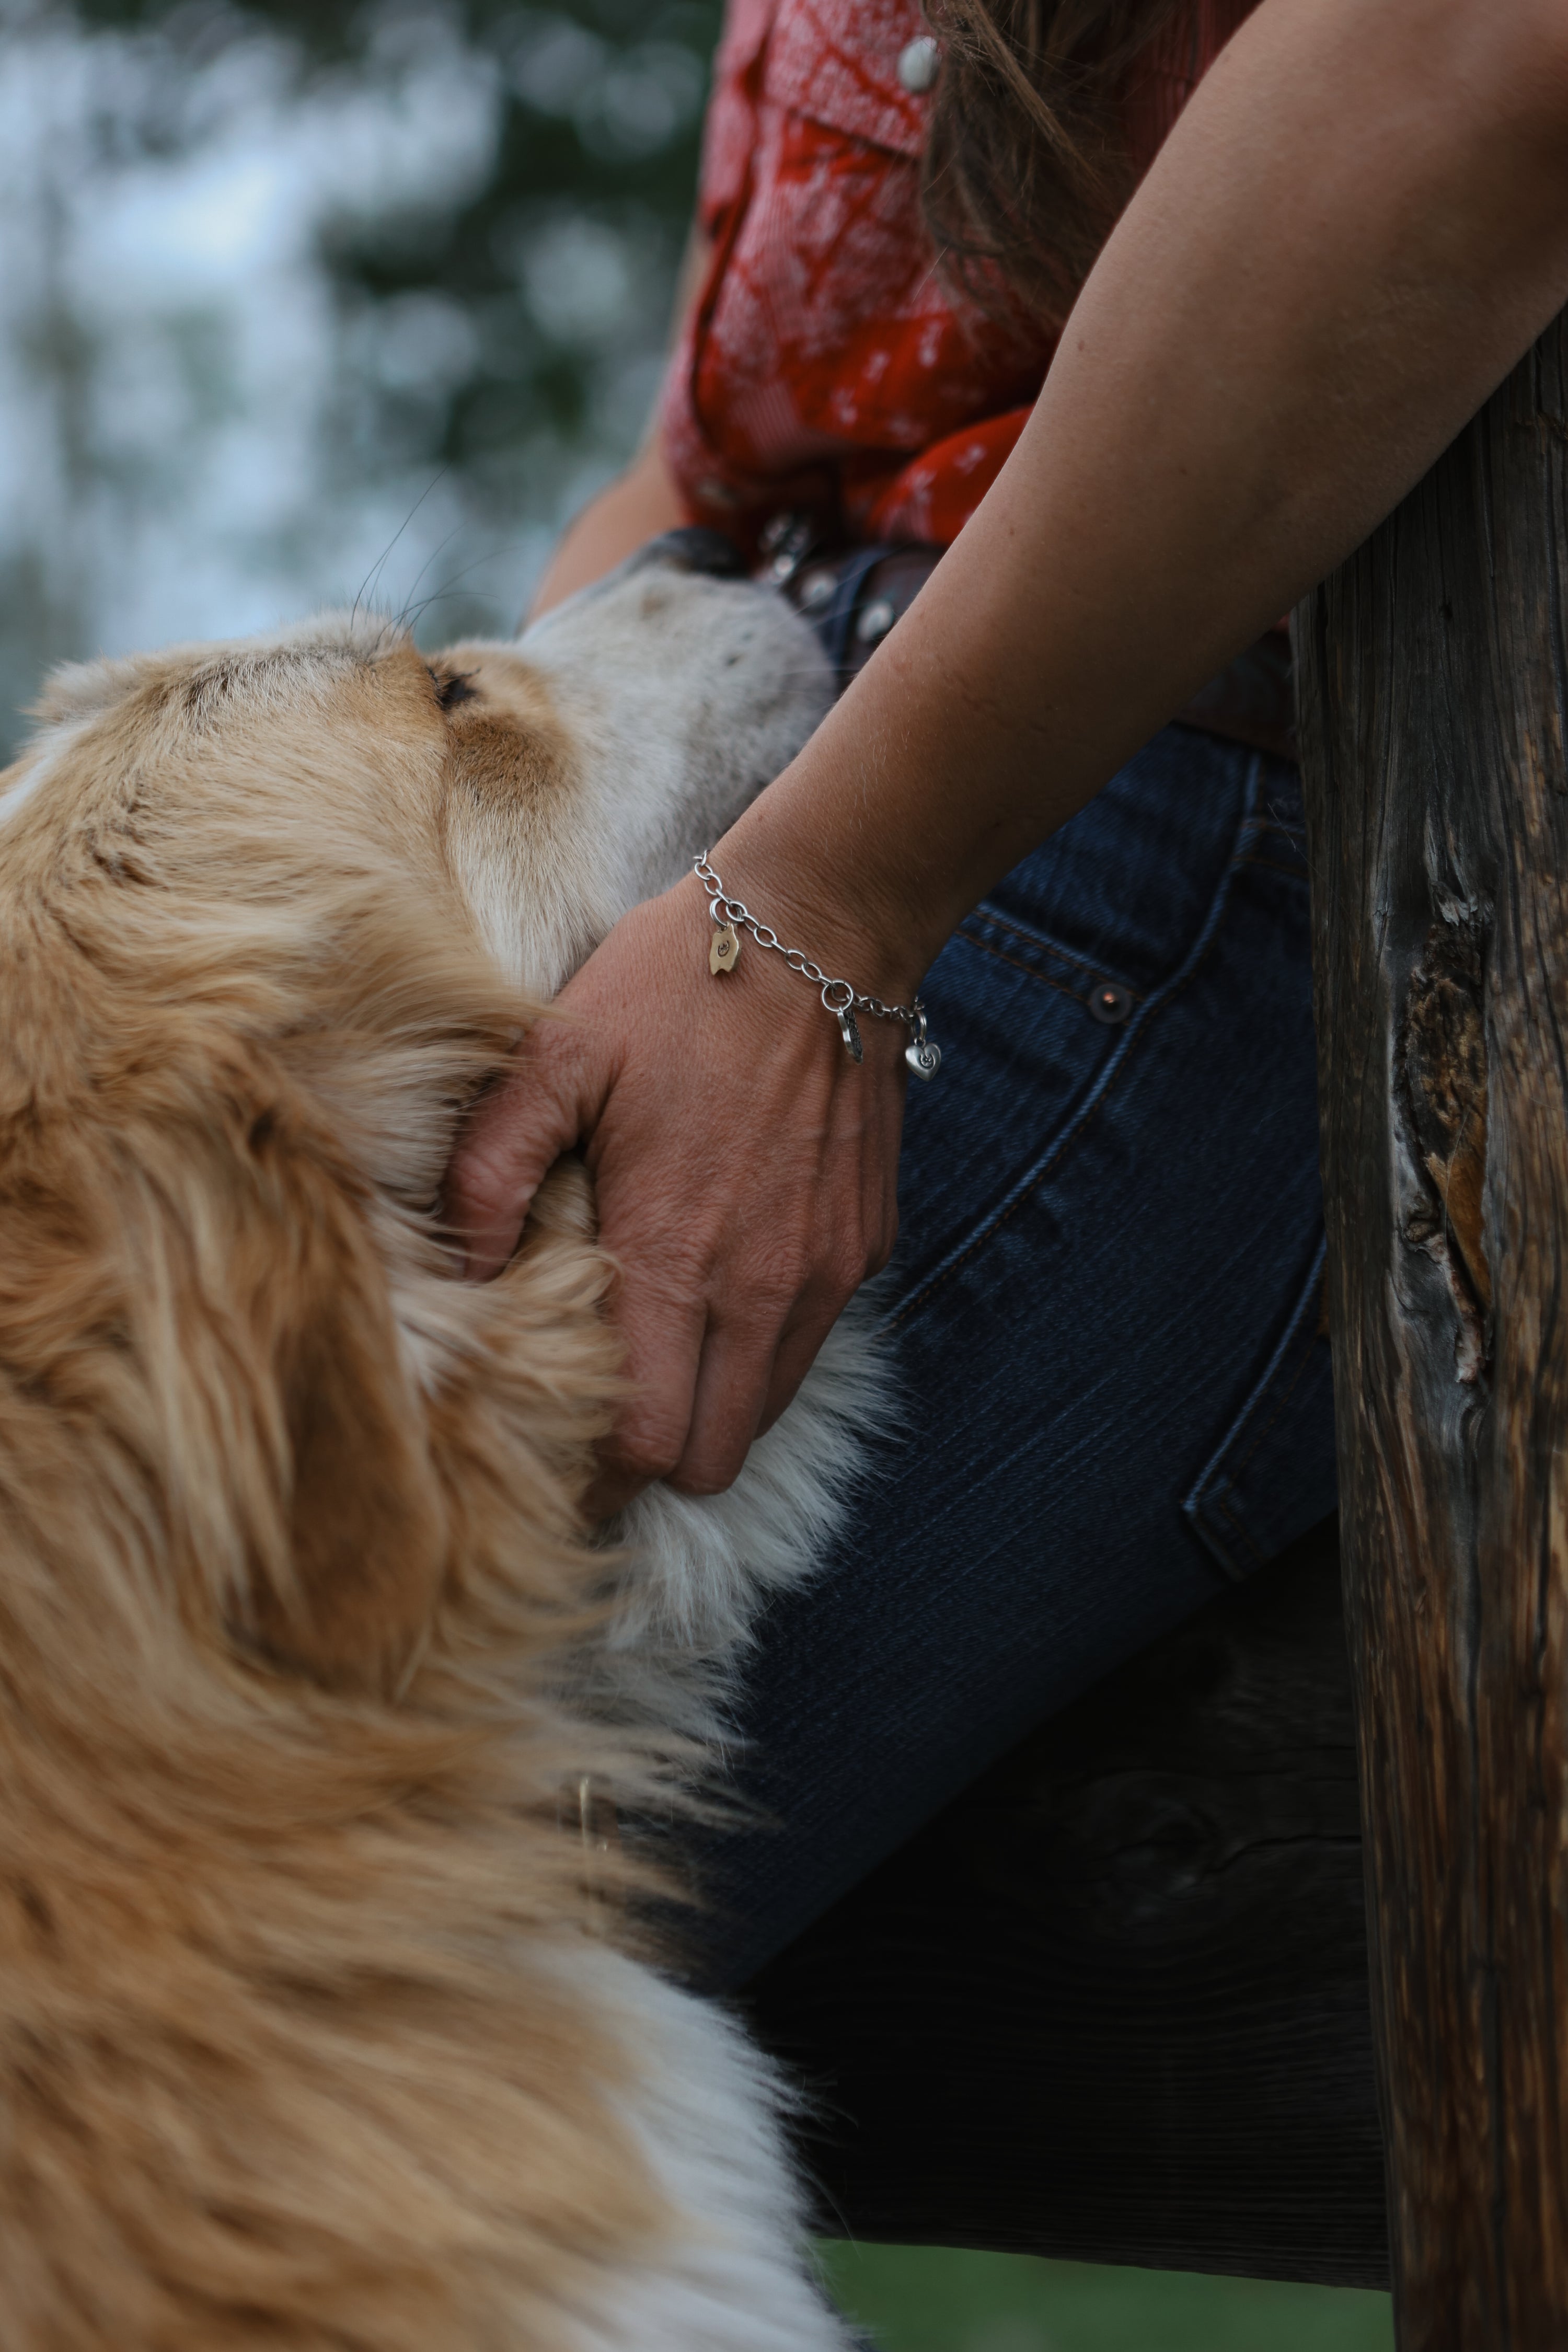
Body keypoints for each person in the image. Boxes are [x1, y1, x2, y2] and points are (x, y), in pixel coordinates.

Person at [447, 0, 1568, 1986]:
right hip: (796, 796)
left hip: (1185, 797)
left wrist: (825, 909)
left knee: (272, 1900)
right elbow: (699, 447)